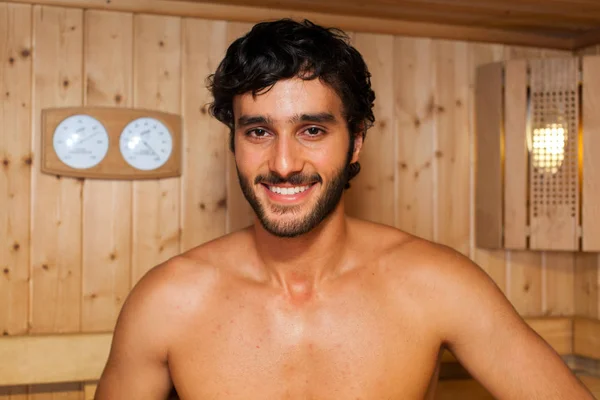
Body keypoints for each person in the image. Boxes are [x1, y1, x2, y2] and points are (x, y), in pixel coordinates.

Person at [94, 19, 594, 399]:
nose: (284, 163)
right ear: (235, 142)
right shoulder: (167, 303)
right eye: (258, 132)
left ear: (355, 142)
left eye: (312, 130)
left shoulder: (436, 284)